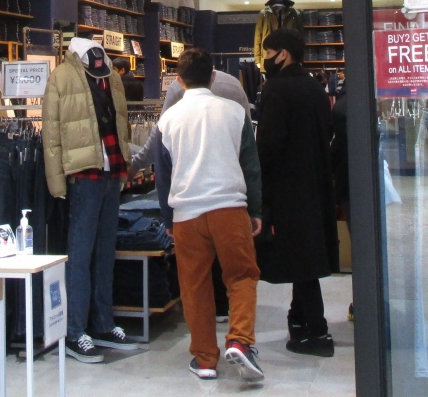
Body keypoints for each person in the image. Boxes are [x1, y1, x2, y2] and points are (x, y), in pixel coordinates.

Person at [156, 49, 264, 381]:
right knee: (241, 276)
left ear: (178, 80)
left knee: (194, 285)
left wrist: (167, 218)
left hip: (187, 213)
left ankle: (204, 359)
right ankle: (240, 340)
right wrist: (255, 209)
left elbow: (163, 174)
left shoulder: (167, 120)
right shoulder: (235, 112)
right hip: (229, 206)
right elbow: (250, 164)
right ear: (214, 76)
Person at [41, 37, 139, 363]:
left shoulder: (111, 74)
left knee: (105, 252)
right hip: (84, 173)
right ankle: (74, 331)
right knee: (80, 254)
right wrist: (57, 182)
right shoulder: (62, 77)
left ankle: (103, 323)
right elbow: (51, 134)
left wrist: (125, 164)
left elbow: (121, 122)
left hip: (112, 170)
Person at [256, 28, 338, 356]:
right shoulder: (316, 88)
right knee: (305, 256)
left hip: (287, 189)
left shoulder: (276, 89)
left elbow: (268, 146)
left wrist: (259, 188)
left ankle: (319, 333)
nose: (265, 60)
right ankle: (299, 321)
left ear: (283, 54)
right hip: (316, 184)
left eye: (268, 53)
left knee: (298, 260)